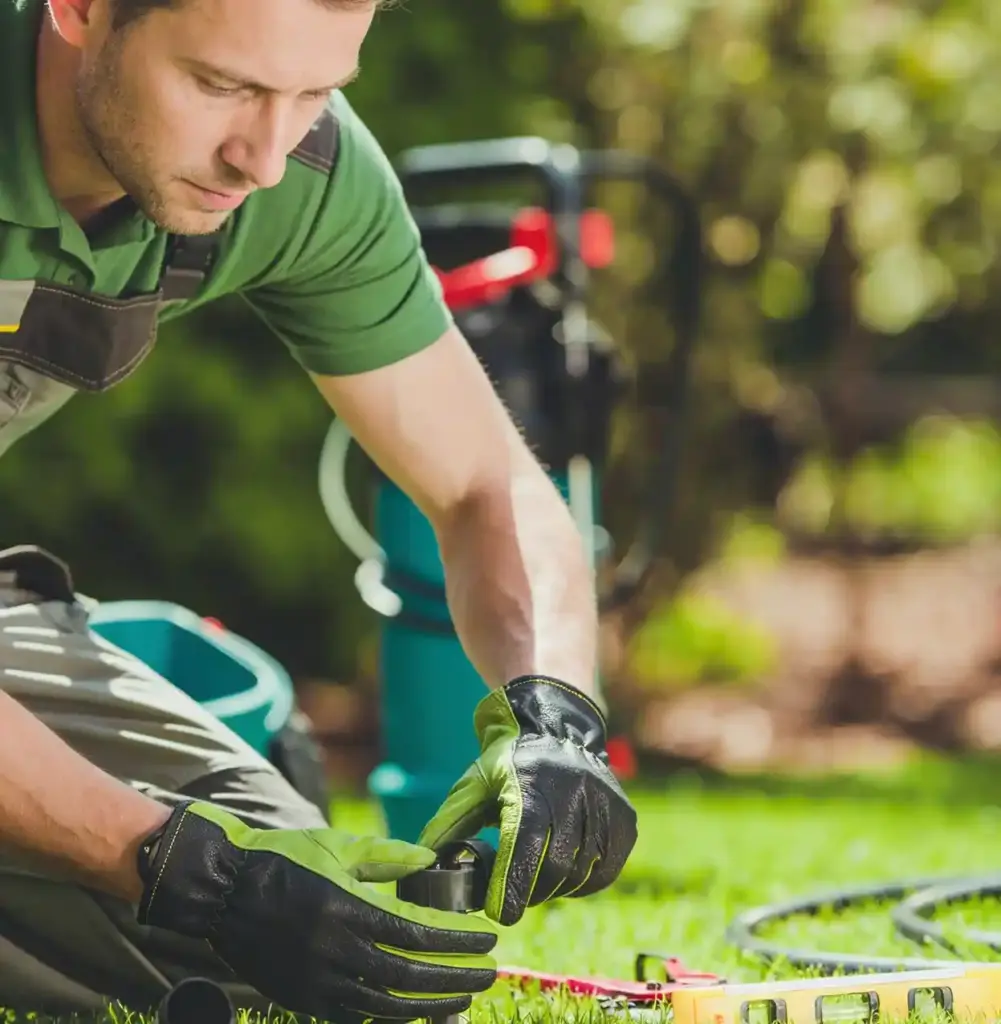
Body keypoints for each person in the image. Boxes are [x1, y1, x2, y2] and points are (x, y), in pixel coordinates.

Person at [0, 0, 640, 1020]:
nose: (261, 155)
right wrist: (182, 869)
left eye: (313, 92)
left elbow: (490, 482)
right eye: (220, 85)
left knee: (323, 931)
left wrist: (555, 713)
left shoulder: (300, 173)